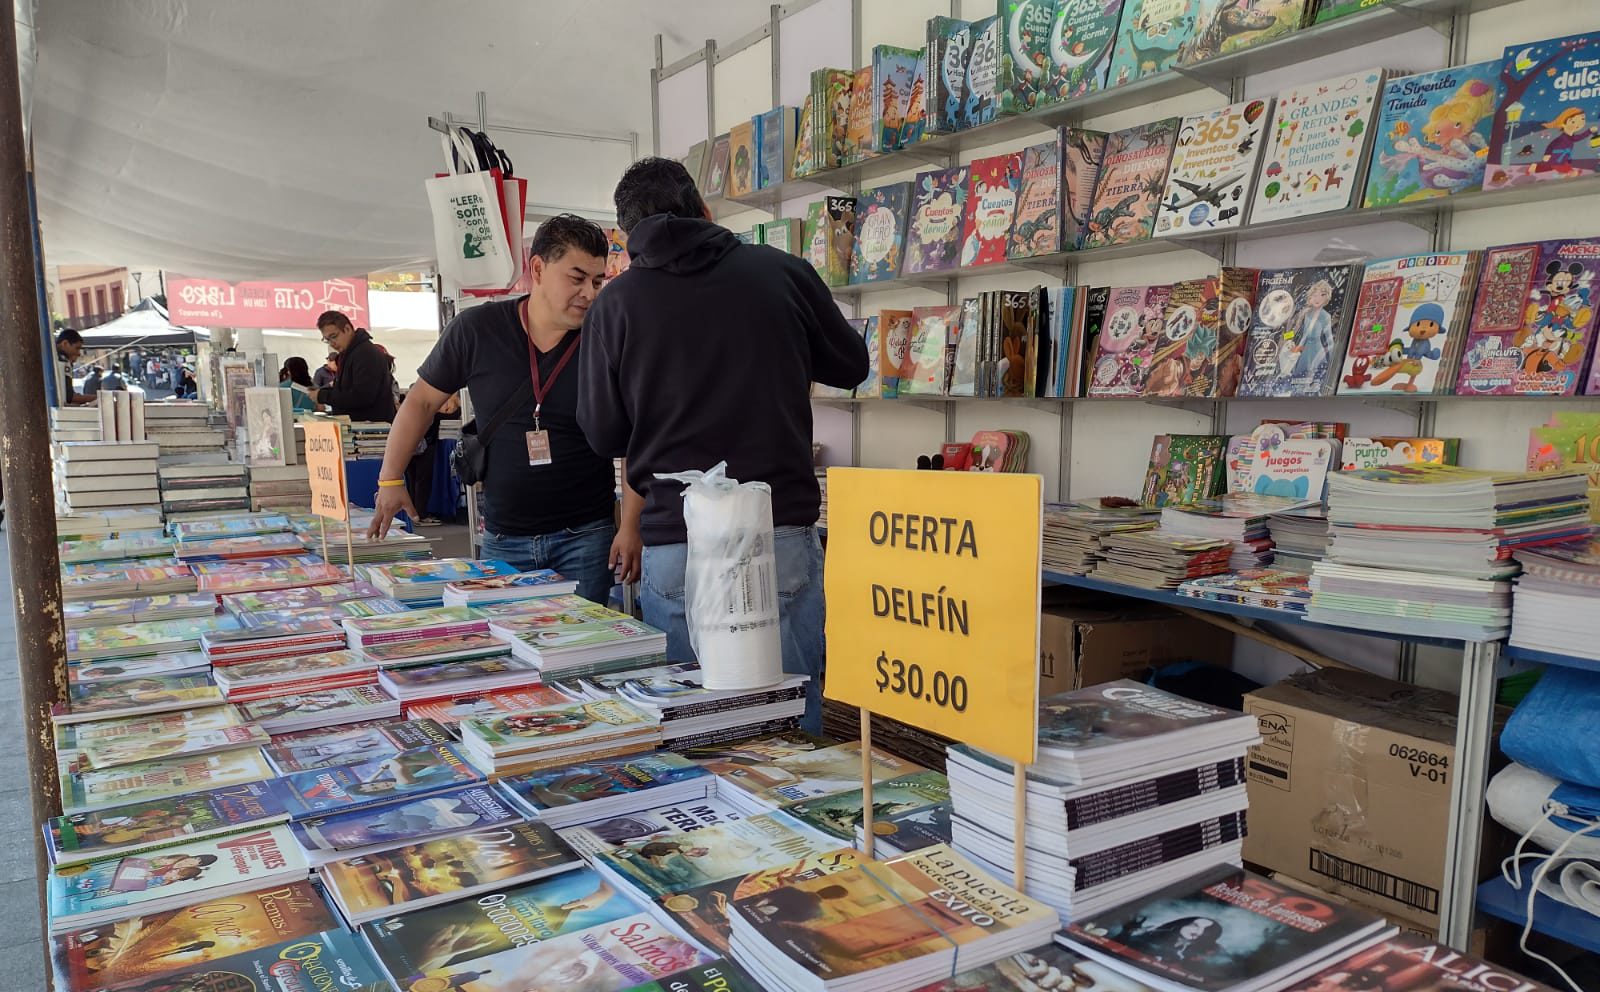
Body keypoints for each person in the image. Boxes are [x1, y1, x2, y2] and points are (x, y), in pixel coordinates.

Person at [577, 158, 869, 734]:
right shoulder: (781, 271)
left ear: (627, 236)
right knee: (791, 727)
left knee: (696, 730)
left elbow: (603, 433)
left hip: (674, 538)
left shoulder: (616, 305)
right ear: (705, 211)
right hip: (776, 526)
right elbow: (852, 364)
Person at [367, 215, 641, 605]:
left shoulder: (605, 338)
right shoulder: (477, 329)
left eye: (598, 282)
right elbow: (421, 401)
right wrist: (390, 479)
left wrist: (630, 525)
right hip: (503, 539)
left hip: (585, 537)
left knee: (580, 654)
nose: (589, 294)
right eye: (577, 278)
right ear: (539, 269)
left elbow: (632, 440)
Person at [315, 311, 397, 422]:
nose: (331, 343)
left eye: (333, 336)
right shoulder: (349, 354)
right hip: (361, 429)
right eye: (327, 340)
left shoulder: (365, 353)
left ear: (347, 329)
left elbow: (361, 396)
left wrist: (323, 396)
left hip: (371, 431)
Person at [407, 390, 460, 527]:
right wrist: (458, 401)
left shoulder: (414, 409)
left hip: (411, 446)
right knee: (423, 481)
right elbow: (453, 415)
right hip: (425, 447)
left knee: (413, 481)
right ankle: (422, 515)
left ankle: (413, 514)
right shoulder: (433, 411)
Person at [56, 329, 95, 405]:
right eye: (77, 348)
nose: (79, 353)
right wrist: (97, 398)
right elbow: (69, 396)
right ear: (65, 344)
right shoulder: (62, 361)